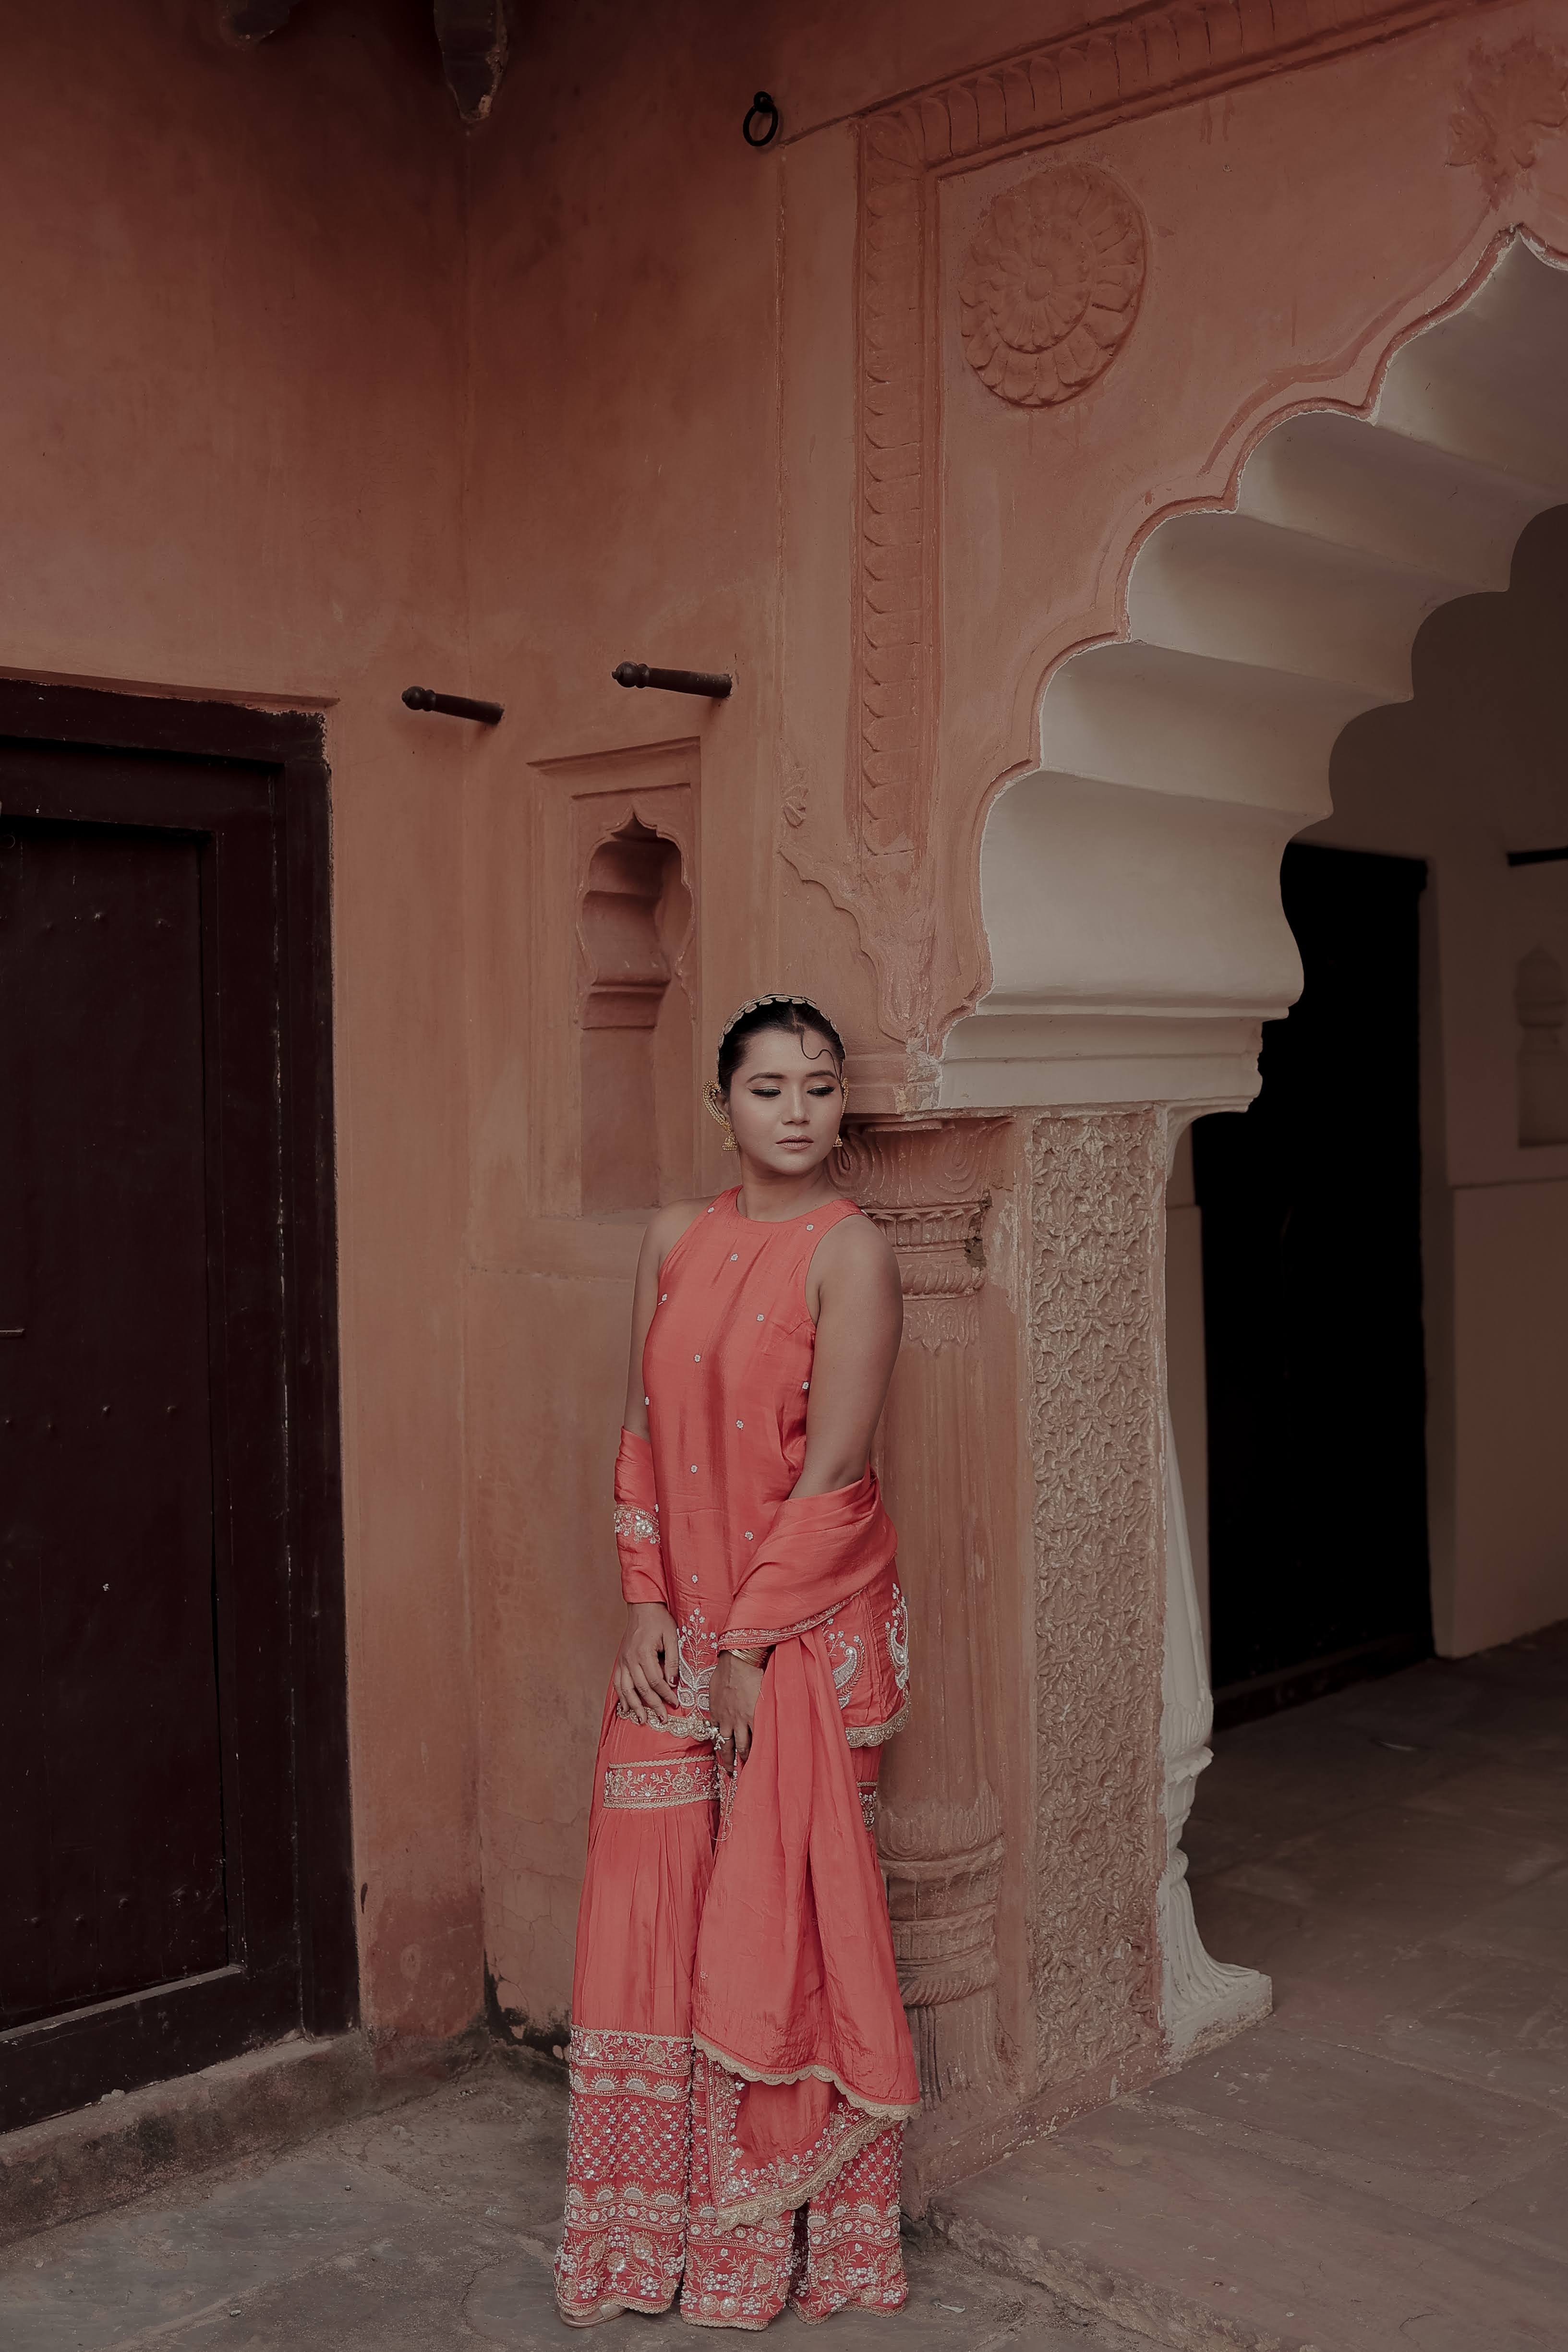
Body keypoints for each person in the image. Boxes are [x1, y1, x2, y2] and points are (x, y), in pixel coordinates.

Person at [555, 993, 919, 2329]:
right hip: (680, 1628)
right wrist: (646, 1604)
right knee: (658, 1903)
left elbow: (839, 1474)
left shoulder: (851, 1252)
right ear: (726, 1101)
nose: (798, 1109)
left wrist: (751, 1651)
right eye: (770, 1086)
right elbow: (637, 1429)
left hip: (798, 1642)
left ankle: (759, 2251)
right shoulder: (671, 1236)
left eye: (820, 1087)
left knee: (780, 1926)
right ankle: (648, 2240)